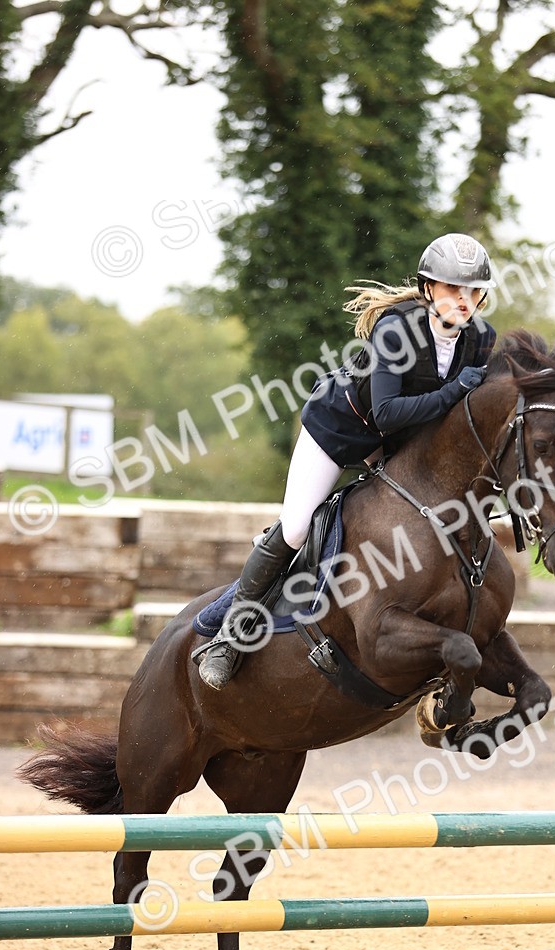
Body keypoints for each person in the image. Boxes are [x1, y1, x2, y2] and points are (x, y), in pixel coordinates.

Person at [197, 232, 498, 690]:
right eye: (453, 289)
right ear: (427, 289)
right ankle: (229, 634)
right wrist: (456, 390)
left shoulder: (479, 339)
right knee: (297, 527)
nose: (464, 300)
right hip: (341, 431)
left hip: (400, 443)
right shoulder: (396, 330)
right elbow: (386, 412)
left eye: (473, 291)